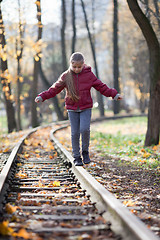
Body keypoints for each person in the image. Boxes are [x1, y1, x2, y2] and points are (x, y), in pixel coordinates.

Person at [35, 52, 122, 166]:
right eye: (74, 67)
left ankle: (85, 152)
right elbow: (54, 89)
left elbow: (101, 86)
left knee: (85, 129)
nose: (76, 69)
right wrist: (42, 96)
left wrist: (114, 94)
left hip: (86, 107)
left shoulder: (89, 75)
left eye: (79, 67)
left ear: (83, 64)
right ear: (70, 64)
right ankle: (76, 157)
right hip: (72, 108)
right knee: (75, 133)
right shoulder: (66, 76)